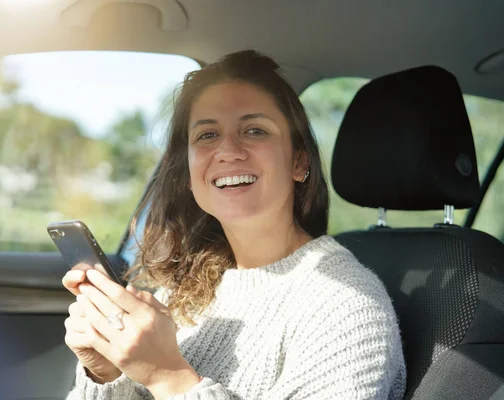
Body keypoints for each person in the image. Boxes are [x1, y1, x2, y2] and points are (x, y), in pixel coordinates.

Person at [62, 50, 406, 399]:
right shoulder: (184, 289)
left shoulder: (345, 307)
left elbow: (167, 380)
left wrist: (169, 378)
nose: (228, 150)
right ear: (188, 174)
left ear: (299, 162)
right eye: (207, 135)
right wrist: (108, 373)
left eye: (255, 131)